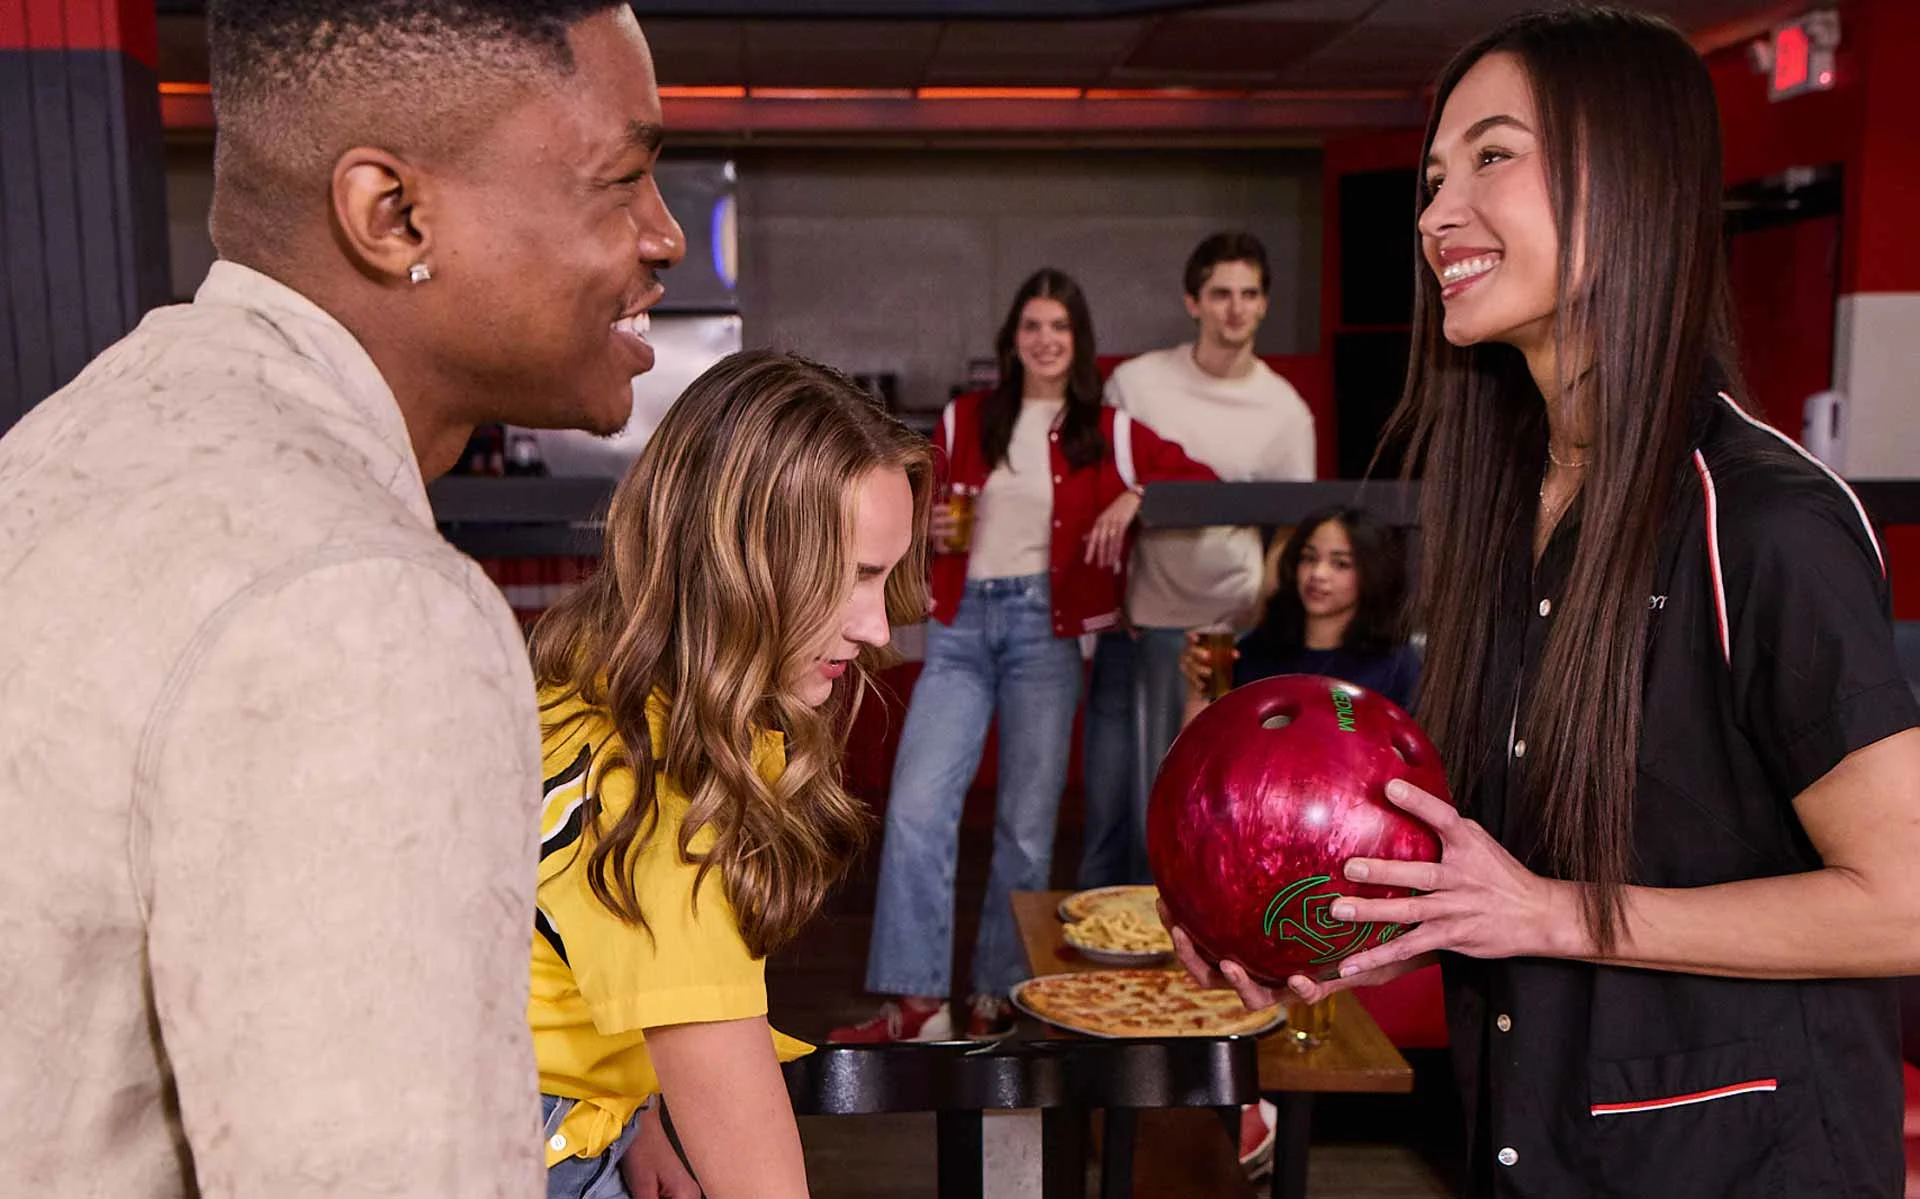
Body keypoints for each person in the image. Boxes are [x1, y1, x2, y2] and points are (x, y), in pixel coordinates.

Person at [1169, 8, 1920, 1196]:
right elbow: (1503, 888)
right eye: (1431, 177)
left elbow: (1906, 900)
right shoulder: (1506, 508)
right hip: (1539, 1148)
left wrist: (1560, 914)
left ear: (1629, 179)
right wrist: (1330, 935)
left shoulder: (1763, 520)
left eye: (1492, 156)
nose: (1433, 214)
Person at [0, 3, 683, 1195]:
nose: (665, 235)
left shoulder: (60, 446)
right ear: (392, 215)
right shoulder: (367, 606)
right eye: (620, 180)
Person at [527, 350, 929, 1198]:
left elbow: (578, 968)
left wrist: (639, 1107)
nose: (876, 625)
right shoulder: (657, 800)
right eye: (854, 575)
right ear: (733, 560)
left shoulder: (608, 690)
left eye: (886, 576)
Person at [833, 268, 1214, 1043]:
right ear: (1013, 339)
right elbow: (902, 501)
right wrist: (927, 532)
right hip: (963, 626)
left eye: (1060, 328)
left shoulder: (1104, 432)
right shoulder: (965, 418)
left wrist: (1136, 494)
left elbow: (1202, 478)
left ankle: (998, 993)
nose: (1045, 340)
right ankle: (917, 1004)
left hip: (1048, 632)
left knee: (1025, 829)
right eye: (1032, 326)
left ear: (1078, 345)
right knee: (916, 807)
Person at [1080, 232, 1317, 889]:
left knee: (1201, 815)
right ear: (1193, 302)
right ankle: (1090, 982)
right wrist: (1109, 588)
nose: (1234, 309)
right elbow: (1096, 494)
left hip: (1225, 635)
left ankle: (1181, 979)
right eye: (1220, 294)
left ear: (1265, 304)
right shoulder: (1136, 383)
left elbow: (1293, 526)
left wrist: (1263, 599)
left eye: (1248, 294)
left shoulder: (1284, 410)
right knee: (1112, 814)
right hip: (1138, 626)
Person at [1179, 505, 1419, 723]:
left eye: (1340, 564)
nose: (1318, 573)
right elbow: (1203, 753)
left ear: (1372, 574)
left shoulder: (1395, 664)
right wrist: (1199, 687)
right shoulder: (1257, 651)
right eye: (1309, 558)